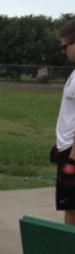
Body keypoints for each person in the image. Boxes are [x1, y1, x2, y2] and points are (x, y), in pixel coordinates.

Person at [54, 20, 75, 225]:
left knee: (72, 209)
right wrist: (59, 144)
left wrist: (72, 160)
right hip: (67, 149)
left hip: (72, 154)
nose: (63, 52)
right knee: (69, 206)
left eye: (65, 46)